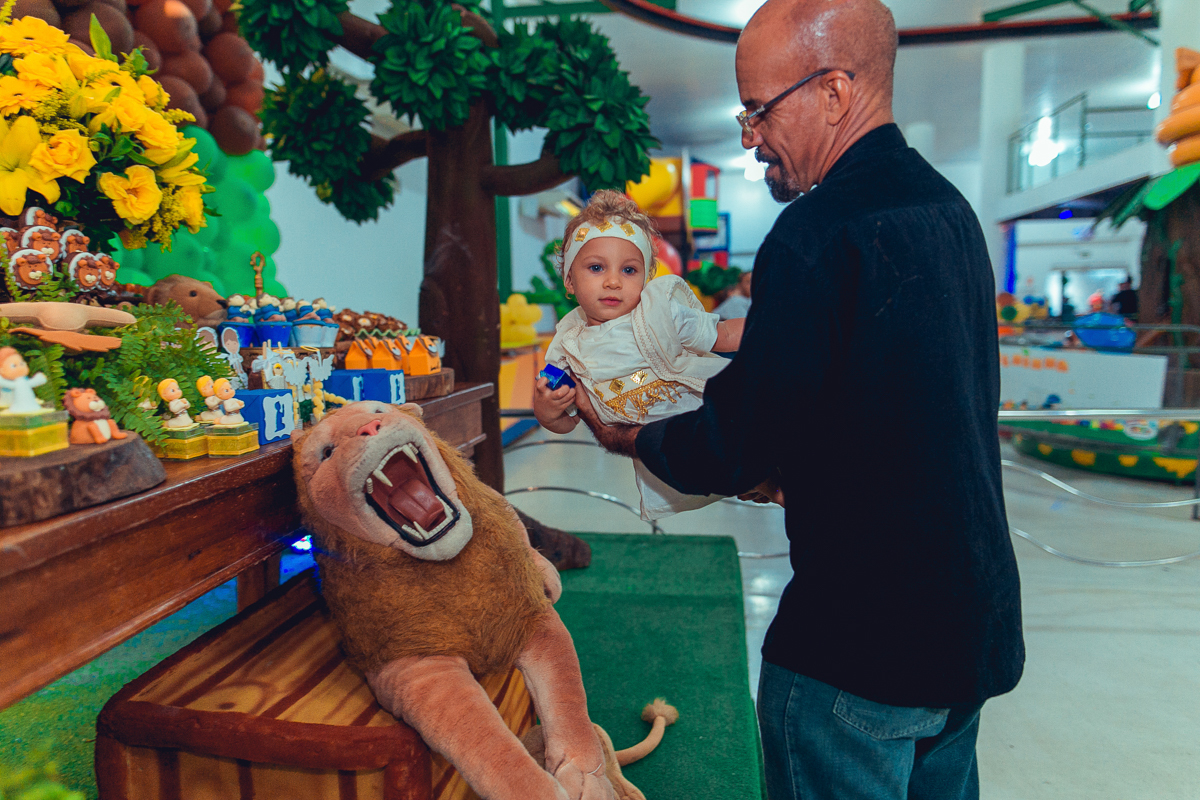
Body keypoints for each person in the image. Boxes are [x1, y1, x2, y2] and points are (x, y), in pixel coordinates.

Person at [571, 1, 1025, 798]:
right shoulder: (950, 213)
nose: (750, 140)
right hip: (967, 625)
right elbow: (906, 410)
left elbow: (743, 434)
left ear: (836, 91)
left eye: (758, 110)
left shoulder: (819, 232)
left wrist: (634, 437)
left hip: (861, 643)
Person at [533, 190, 745, 520]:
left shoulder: (660, 314)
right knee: (730, 481)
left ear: (646, 279)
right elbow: (565, 422)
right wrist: (547, 409)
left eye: (629, 271)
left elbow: (724, 334)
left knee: (773, 464)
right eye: (596, 267)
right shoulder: (566, 346)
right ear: (569, 280)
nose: (613, 281)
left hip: (717, 415)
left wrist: (775, 326)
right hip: (664, 455)